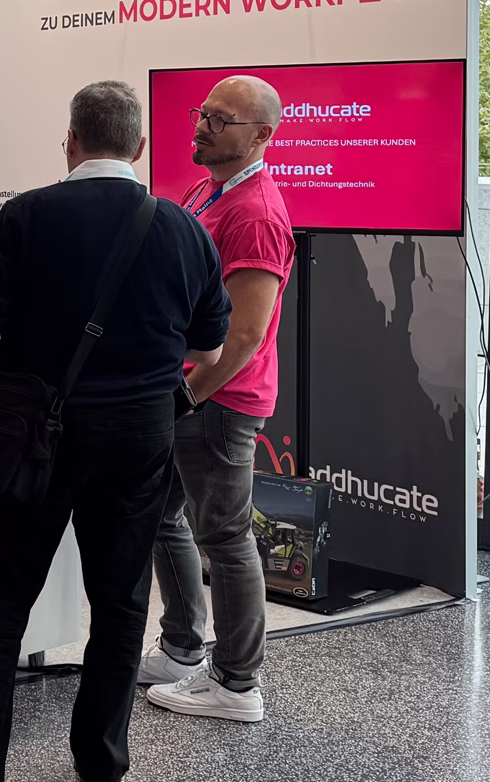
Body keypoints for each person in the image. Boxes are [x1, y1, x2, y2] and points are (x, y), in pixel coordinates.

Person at [0, 81, 231, 782]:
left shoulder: (27, 215)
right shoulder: (184, 229)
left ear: (71, 142)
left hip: (34, 434)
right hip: (140, 436)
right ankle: (102, 761)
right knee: (120, 602)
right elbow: (209, 348)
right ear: (139, 146)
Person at [141, 75, 294, 724]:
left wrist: (186, 396)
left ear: (261, 135)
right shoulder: (209, 188)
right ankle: (182, 648)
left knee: (226, 538)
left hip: (219, 402)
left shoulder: (256, 214)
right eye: (203, 114)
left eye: (221, 119)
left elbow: (246, 335)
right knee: (162, 516)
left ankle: (236, 683)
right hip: (191, 394)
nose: (203, 127)